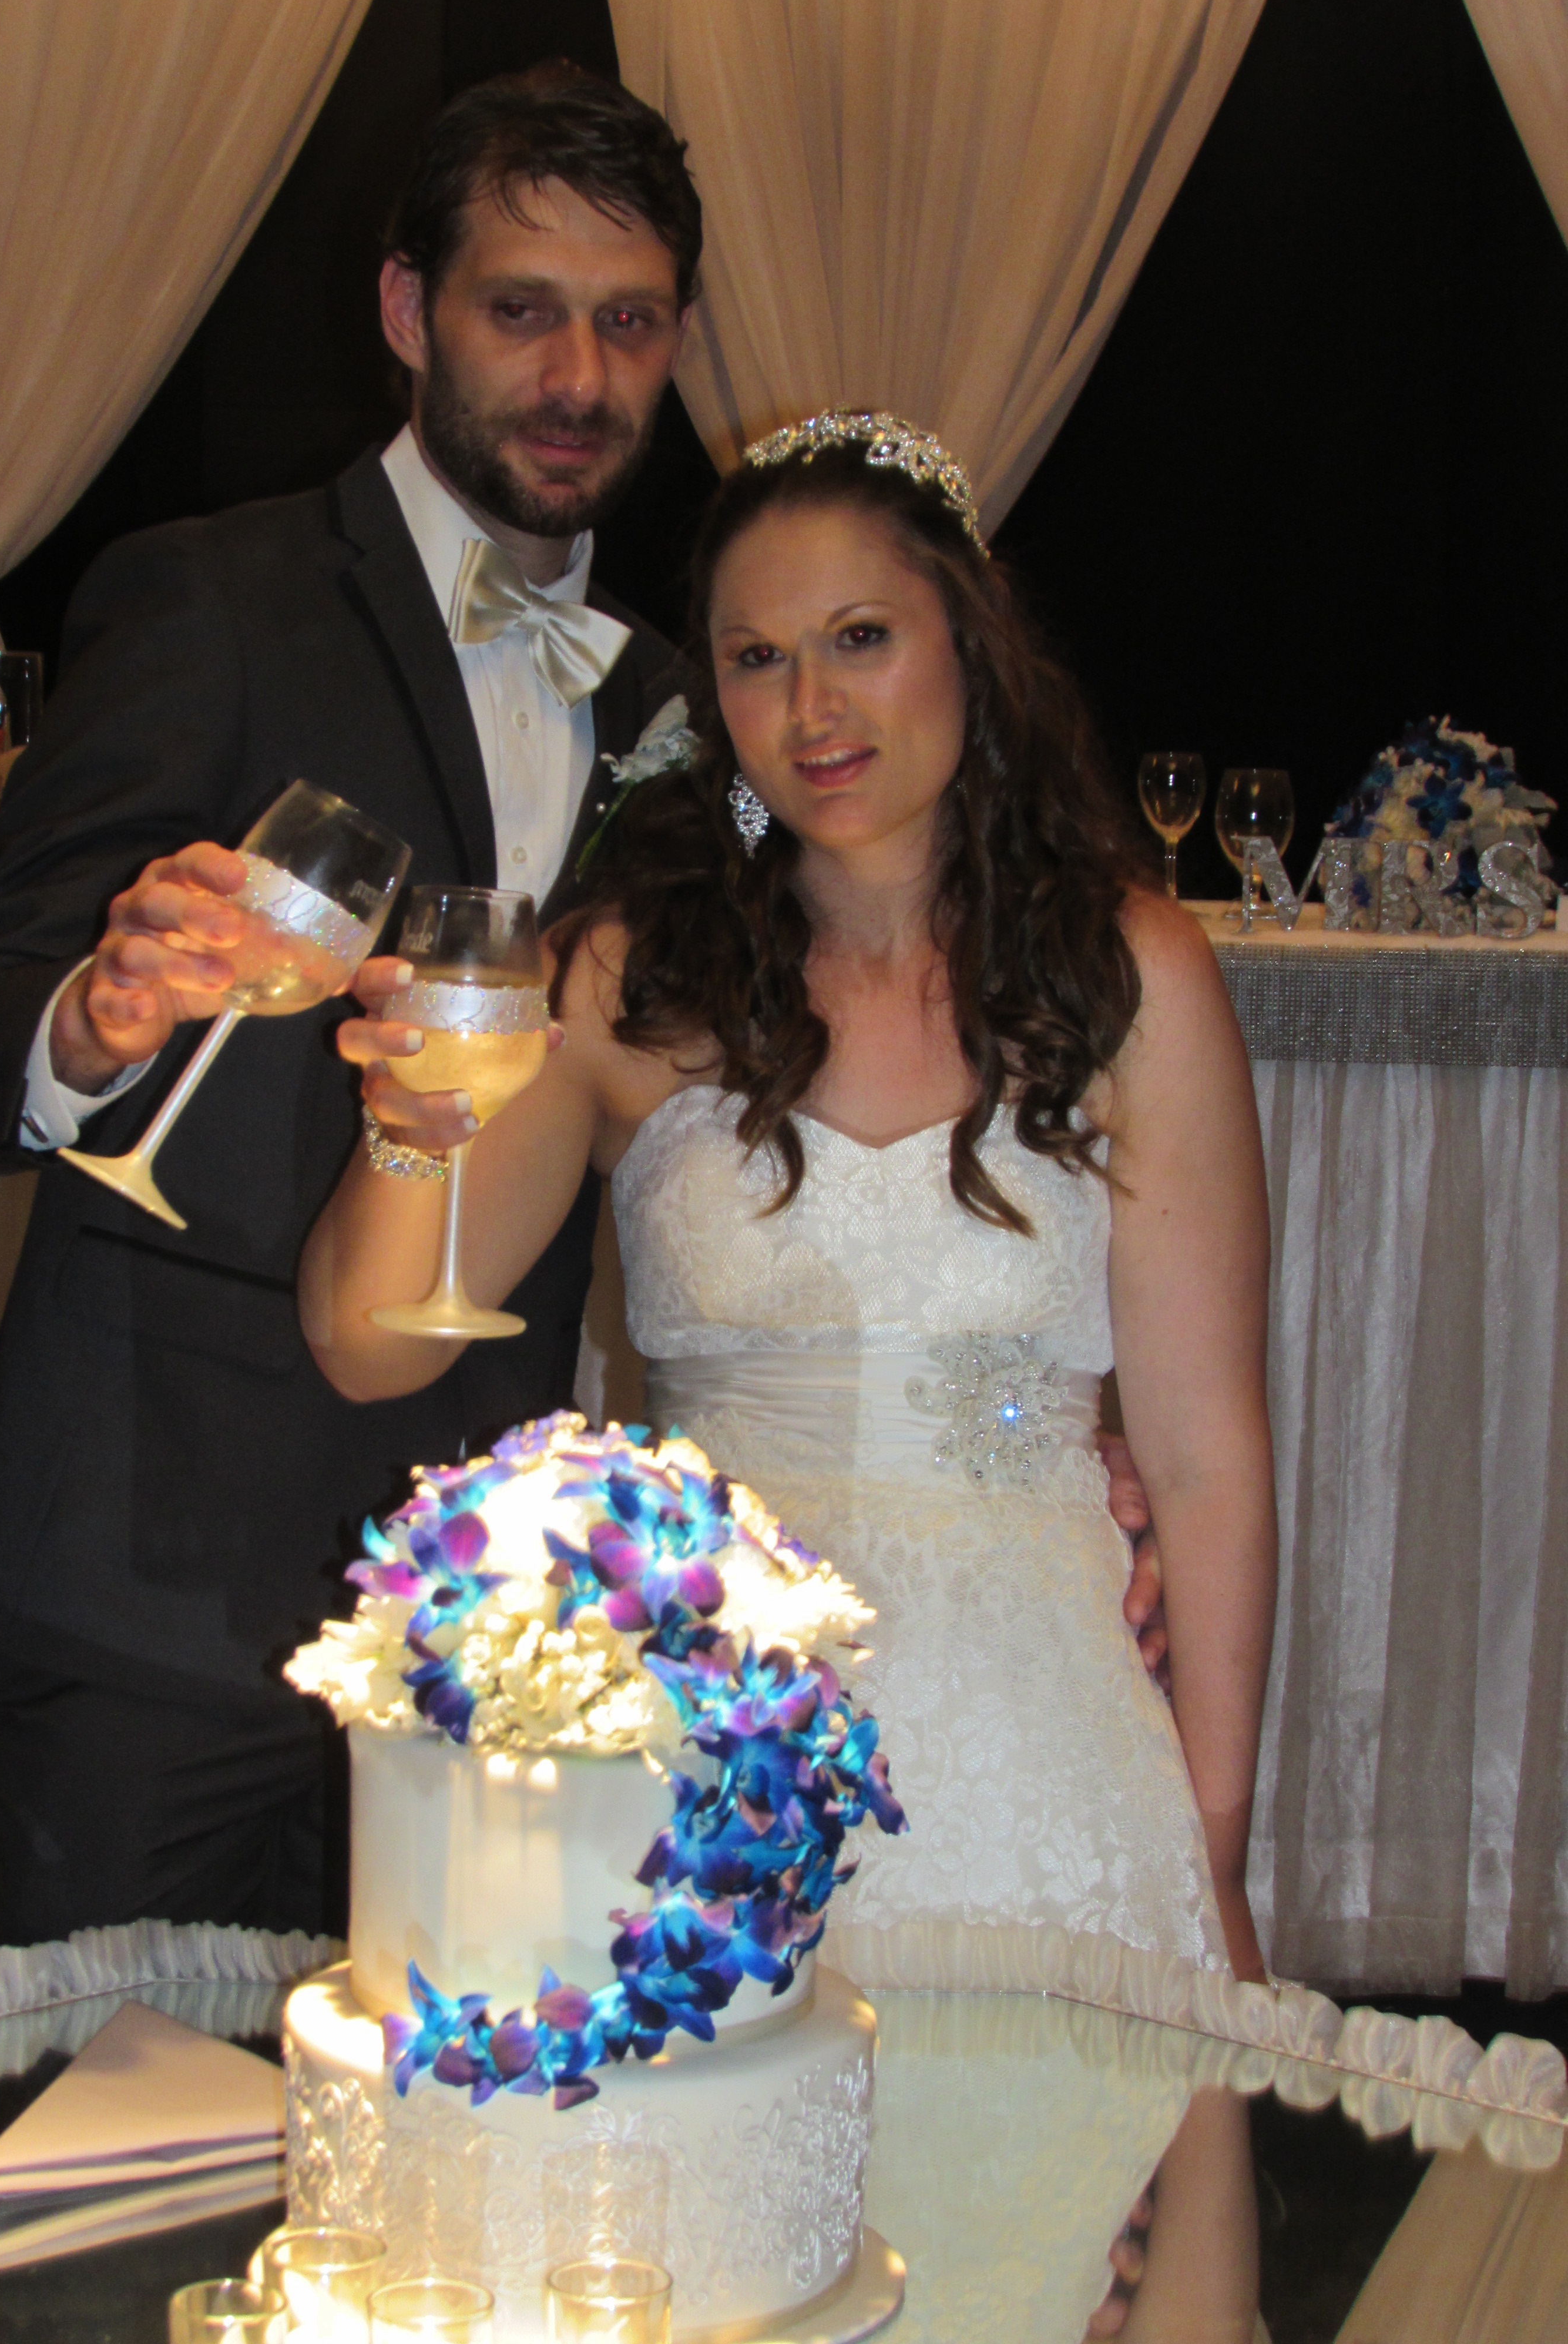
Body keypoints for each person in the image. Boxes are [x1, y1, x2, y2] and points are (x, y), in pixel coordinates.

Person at [0, 63, 701, 1946]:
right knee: (114, 2114)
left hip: (480, 1624)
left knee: (425, 2125)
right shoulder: (209, 598)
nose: (579, 376)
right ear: (409, 311)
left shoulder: (682, 699)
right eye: (522, 309)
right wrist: (88, 1022)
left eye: (630, 323)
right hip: (155, 1593)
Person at [301, 413, 1277, 1983]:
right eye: (757, 659)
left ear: (970, 642)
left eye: (862, 638)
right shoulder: (625, 980)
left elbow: (1208, 1460)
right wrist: (409, 1130)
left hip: (1048, 1750)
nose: (812, 708)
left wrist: (1214, 1854)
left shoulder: (1131, 974)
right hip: (709, 1740)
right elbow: (369, 1345)